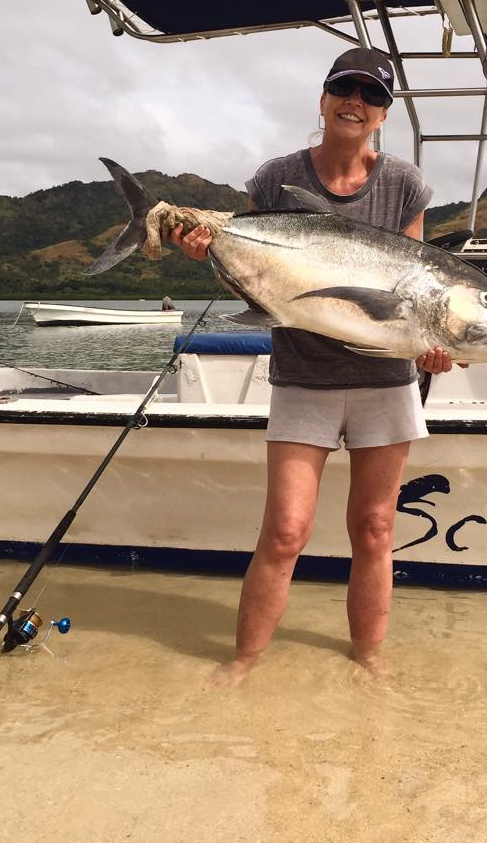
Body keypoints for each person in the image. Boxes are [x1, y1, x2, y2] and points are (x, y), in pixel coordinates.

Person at [171, 47, 459, 684]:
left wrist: (432, 342)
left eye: (372, 95)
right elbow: (256, 271)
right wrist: (208, 253)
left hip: (385, 380)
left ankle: (369, 658)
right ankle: (243, 661)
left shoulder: (405, 184)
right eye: (344, 90)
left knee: (375, 527)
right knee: (285, 531)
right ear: (324, 99)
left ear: (384, 113)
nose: (356, 103)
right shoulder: (276, 176)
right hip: (304, 377)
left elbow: (413, 285)